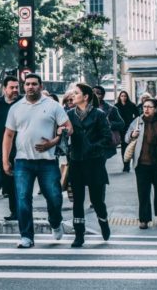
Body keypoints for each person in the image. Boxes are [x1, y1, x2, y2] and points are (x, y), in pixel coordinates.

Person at [2, 73, 73, 248]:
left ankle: (55, 222)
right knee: (23, 199)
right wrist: (5, 160)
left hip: (47, 161)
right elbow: (8, 135)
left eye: (34, 84)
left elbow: (68, 128)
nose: (30, 87)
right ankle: (26, 236)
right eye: (27, 84)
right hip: (23, 162)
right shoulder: (16, 108)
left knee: (55, 197)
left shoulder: (53, 106)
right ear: (24, 86)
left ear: (40, 86)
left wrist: (53, 142)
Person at [66, 83, 112, 247]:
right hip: (76, 161)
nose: (73, 95)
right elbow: (64, 135)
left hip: (94, 161)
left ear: (85, 97)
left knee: (97, 199)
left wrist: (93, 146)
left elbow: (107, 137)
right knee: (77, 200)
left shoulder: (99, 114)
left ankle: (103, 222)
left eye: (76, 93)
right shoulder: (69, 114)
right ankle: (79, 234)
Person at [125, 98, 157, 229]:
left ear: (156, 109)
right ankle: (144, 219)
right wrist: (132, 135)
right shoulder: (137, 122)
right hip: (142, 163)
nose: (146, 109)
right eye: (144, 106)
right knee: (143, 193)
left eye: (149, 107)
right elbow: (126, 137)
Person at [0, 76, 21, 221]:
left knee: (21, 183)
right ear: (4, 89)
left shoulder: (23, 103)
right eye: (11, 87)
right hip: (3, 151)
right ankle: (14, 211)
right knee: (9, 183)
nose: (15, 90)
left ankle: (22, 211)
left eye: (17, 87)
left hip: (22, 149)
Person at [92, 86, 125, 160]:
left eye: (98, 93)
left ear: (103, 95)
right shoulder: (85, 107)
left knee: (100, 165)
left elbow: (121, 123)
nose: (95, 95)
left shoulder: (111, 108)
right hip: (90, 142)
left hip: (104, 142)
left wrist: (109, 124)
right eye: (93, 93)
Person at [115, 91, 139, 172]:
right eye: (122, 96)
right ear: (119, 97)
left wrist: (133, 122)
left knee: (131, 146)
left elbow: (137, 115)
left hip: (130, 128)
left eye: (125, 96)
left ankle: (130, 164)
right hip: (121, 128)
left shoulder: (131, 105)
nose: (123, 97)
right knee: (123, 147)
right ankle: (126, 165)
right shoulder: (116, 106)